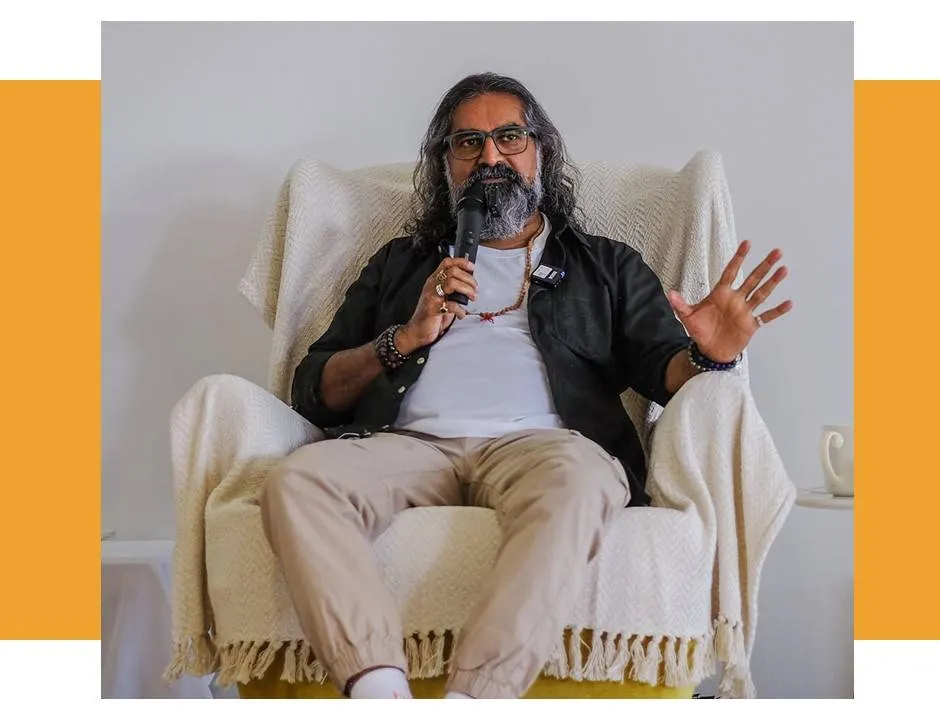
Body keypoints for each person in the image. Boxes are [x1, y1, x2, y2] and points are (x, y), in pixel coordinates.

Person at [258, 72, 793, 700]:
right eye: (468, 142)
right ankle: (378, 692)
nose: (490, 156)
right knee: (297, 480)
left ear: (540, 152)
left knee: (583, 479)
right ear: (446, 165)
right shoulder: (401, 263)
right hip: (407, 447)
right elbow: (313, 390)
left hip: (546, 450)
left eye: (509, 137)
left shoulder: (605, 265)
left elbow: (666, 373)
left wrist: (709, 355)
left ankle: (476, 697)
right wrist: (403, 337)